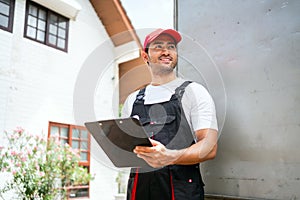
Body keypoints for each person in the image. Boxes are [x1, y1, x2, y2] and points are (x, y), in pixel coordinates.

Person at [122, 28, 218, 200]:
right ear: (145, 56)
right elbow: (126, 150)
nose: (166, 52)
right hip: (139, 190)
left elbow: (209, 147)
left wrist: (170, 157)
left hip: (181, 191)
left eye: (171, 46)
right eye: (158, 46)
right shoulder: (132, 100)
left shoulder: (194, 92)